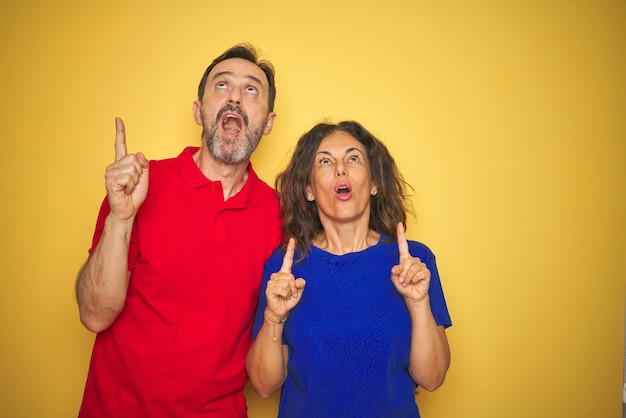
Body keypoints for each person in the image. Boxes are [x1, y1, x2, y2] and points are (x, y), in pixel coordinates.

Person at [75, 43, 282, 417]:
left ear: (268, 122)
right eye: (222, 85)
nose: (235, 96)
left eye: (251, 89)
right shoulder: (138, 185)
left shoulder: (279, 216)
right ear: (198, 111)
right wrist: (120, 219)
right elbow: (94, 315)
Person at [246, 120, 452, 417]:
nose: (340, 169)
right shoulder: (284, 267)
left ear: (374, 183)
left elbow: (432, 379)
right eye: (325, 161)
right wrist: (274, 317)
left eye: (353, 158)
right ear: (308, 190)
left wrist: (418, 303)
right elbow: (264, 386)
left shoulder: (414, 262)